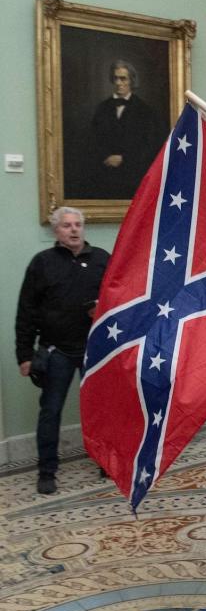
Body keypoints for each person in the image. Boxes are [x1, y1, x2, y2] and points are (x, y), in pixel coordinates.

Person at [15, 207, 110, 494]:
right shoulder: (42, 263)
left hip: (95, 349)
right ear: (56, 231)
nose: (73, 230)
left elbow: (119, 297)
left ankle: (107, 461)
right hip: (56, 350)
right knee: (51, 411)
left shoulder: (101, 259)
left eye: (78, 224)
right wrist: (24, 354)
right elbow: (26, 310)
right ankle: (47, 471)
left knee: (101, 408)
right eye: (67, 225)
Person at [88, 60, 162, 200]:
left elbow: (150, 145)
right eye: (115, 78)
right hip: (104, 177)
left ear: (132, 81)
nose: (118, 82)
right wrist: (106, 157)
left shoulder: (145, 111)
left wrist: (125, 159)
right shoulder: (101, 109)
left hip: (133, 178)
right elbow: (92, 140)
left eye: (123, 78)